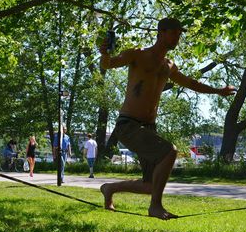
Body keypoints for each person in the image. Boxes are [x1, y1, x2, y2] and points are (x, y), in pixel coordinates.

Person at [99, 17, 236, 220]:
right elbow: (109, 64)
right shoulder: (137, 55)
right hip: (128, 124)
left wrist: (218, 91)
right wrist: (104, 53)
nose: (178, 38)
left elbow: (191, 83)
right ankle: (155, 207)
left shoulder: (169, 66)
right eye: (175, 33)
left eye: (180, 34)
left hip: (148, 127)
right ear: (161, 32)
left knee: (151, 185)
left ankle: (109, 188)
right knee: (169, 151)